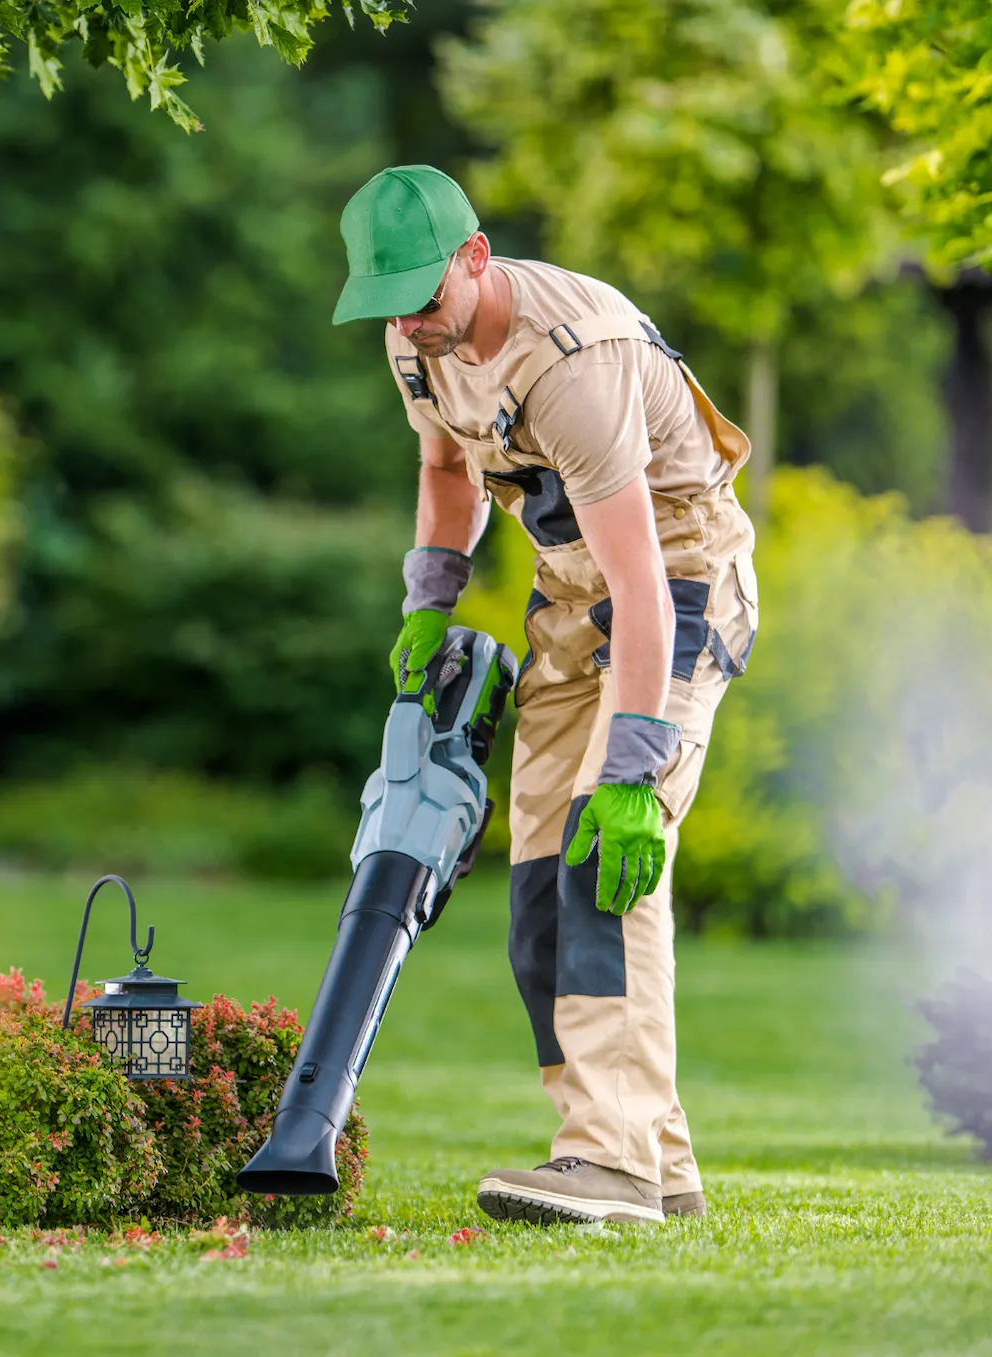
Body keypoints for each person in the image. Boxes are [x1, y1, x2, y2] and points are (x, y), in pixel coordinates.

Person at [334, 165, 759, 1225]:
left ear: (476, 256)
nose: (414, 326)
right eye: (391, 306)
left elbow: (645, 583)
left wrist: (632, 768)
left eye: (427, 298)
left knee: (603, 859)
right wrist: (429, 601)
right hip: (568, 594)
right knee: (536, 896)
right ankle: (657, 1163)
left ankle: (607, 1160)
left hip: (675, 580)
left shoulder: (577, 358)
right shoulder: (413, 336)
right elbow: (446, 471)